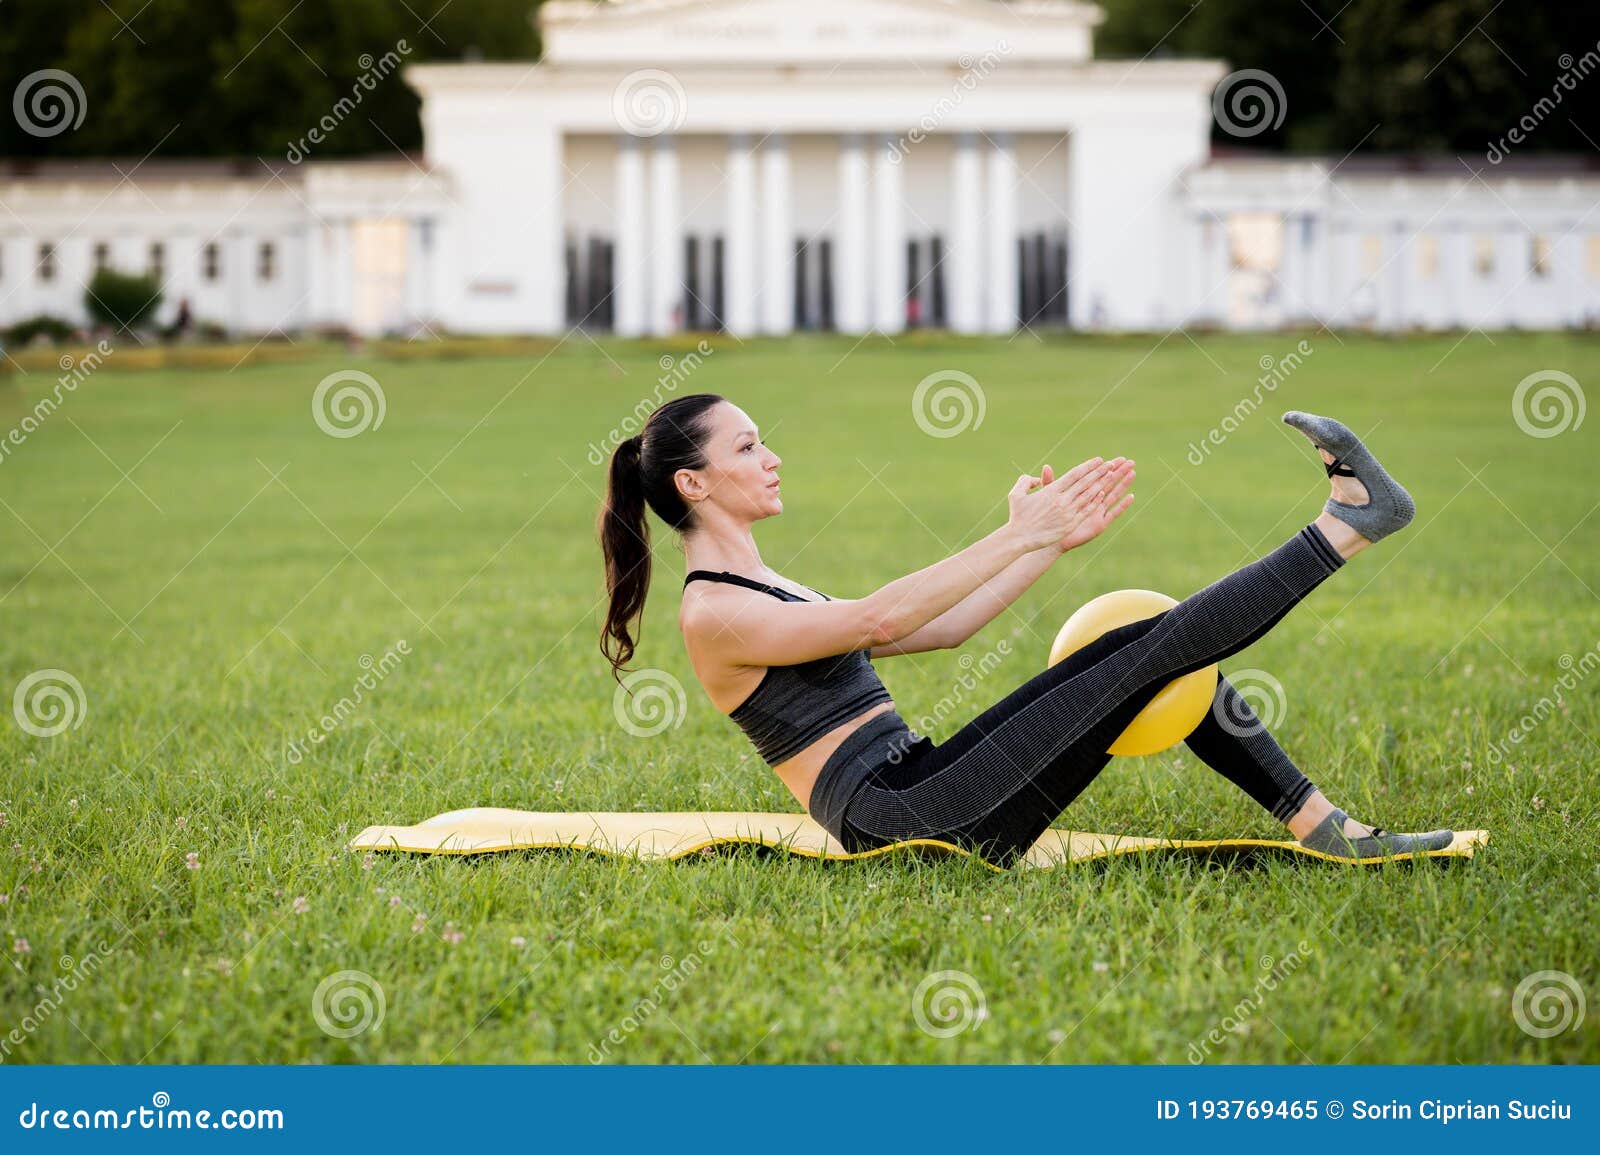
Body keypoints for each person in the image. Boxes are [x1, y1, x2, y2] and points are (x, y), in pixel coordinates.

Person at [597, 394, 1453, 869]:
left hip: (920, 782)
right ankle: (1349, 522)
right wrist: (1020, 532)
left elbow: (940, 631)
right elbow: (883, 616)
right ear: (694, 483)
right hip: (897, 821)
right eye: (748, 448)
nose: (771, 457)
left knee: (1140, 639)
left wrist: (1044, 545)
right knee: (1154, 645)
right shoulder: (713, 610)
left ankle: (1321, 824)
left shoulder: (765, 583)